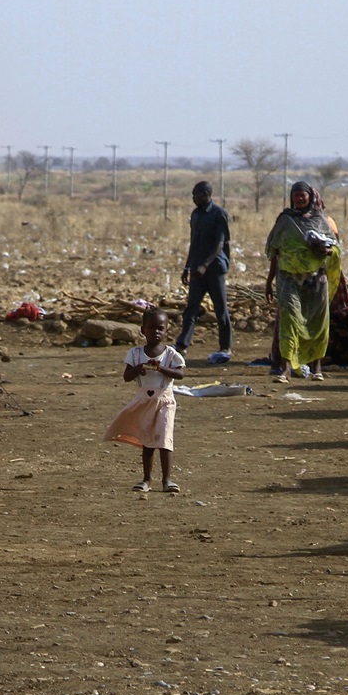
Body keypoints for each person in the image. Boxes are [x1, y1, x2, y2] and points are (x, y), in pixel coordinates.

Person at [265, 181, 341, 384]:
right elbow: (275, 251)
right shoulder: (285, 221)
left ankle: (317, 367)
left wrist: (326, 250)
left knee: (318, 324)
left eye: (303, 196)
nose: (299, 199)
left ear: (310, 197)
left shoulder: (320, 220)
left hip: (316, 280)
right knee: (289, 320)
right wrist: (269, 281)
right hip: (288, 279)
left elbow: (336, 248)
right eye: (296, 195)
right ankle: (286, 369)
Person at [103, 309, 186, 493]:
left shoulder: (170, 354)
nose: (156, 332)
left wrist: (161, 369)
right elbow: (126, 376)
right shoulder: (135, 353)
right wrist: (138, 369)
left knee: (164, 440)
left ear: (167, 331)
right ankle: (146, 479)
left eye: (160, 328)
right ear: (143, 330)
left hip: (164, 401)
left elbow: (180, 374)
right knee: (147, 441)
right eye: (152, 328)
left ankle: (167, 480)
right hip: (143, 401)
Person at [176, 181, 232, 361]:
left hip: (215, 269)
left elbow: (220, 244)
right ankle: (182, 345)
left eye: (196, 195)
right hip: (196, 269)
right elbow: (193, 243)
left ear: (206, 194)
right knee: (191, 307)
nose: (193, 198)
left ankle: (225, 347)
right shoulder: (196, 214)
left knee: (220, 308)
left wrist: (205, 265)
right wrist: (187, 267)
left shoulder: (219, 214)